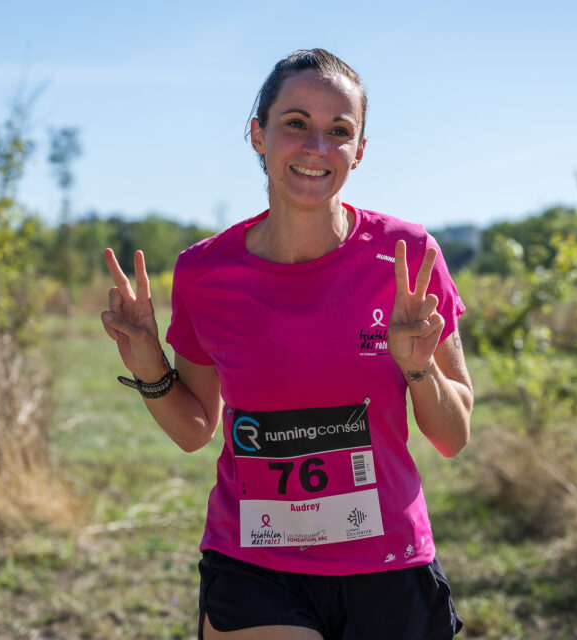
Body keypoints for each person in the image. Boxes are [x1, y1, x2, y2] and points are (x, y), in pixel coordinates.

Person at [101, 48, 472, 640]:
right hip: (254, 564)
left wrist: (418, 369)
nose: (316, 147)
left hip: (387, 561)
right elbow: (195, 429)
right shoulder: (205, 271)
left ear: (360, 150)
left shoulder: (407, 258)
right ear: (258, 134)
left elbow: (452, 437)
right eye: (296, 123)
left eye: (339, 131)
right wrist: (149, 366)